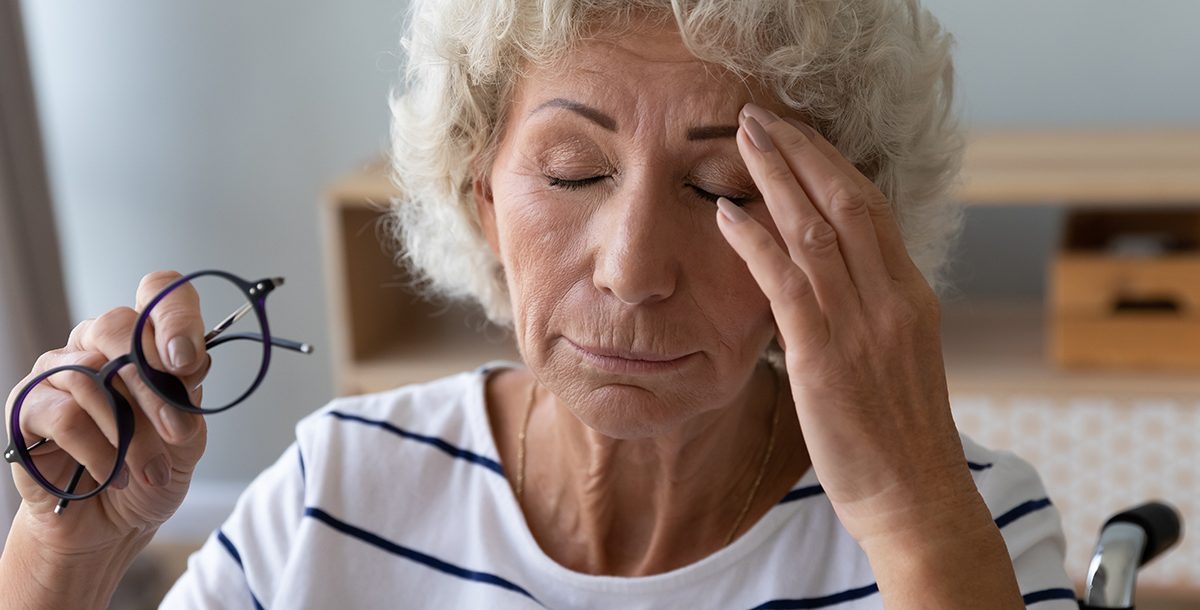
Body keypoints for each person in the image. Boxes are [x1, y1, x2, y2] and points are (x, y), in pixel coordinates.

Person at [2, 0, 1079, 608]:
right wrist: (65, 559)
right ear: (482, 194)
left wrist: (914, 514)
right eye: (572, 171)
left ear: (840, 235)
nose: (631, 269)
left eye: (724, 191)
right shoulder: (336, 489)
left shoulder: (964, 527)